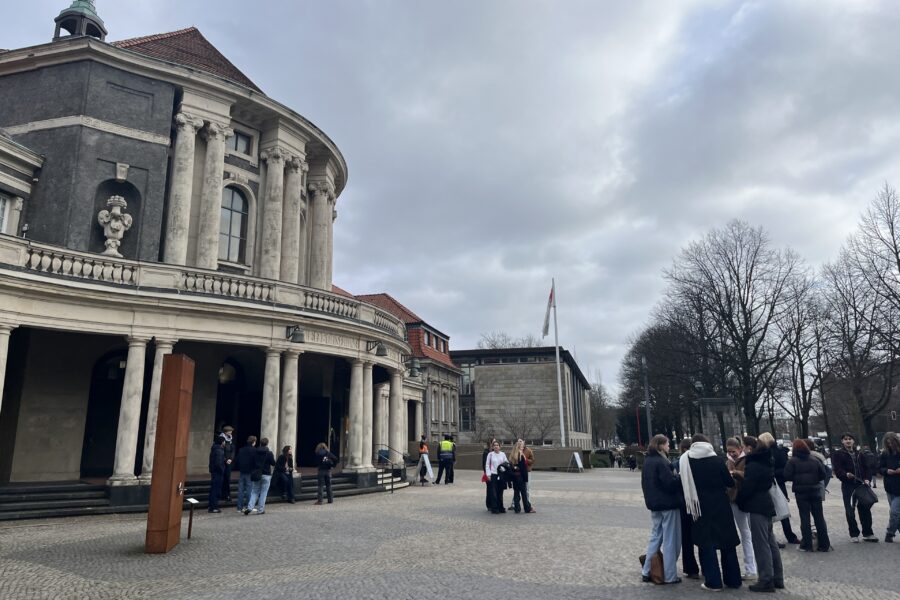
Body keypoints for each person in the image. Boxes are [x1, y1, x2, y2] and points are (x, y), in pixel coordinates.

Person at [679, 434, 742, 591]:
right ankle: (733, 579)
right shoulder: (716, 460)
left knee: (707, 543)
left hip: (700, 506)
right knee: (727, 543)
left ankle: (713, 581)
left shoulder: (687, 461)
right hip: (721, 505)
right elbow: (729, 482)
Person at [737, 436, 784, 593]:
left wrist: (740, 499)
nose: (743, 449)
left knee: (761, 544)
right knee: (770, 542)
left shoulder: (753, 464)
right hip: (766, 503)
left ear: (749, 448)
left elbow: (749, 486)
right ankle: (777, 577)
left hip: (757, 505)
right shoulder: (766, 460)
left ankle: (766, 580)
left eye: (743, 447)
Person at [640, 434, 682, 585]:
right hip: (668, 503)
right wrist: (679, 478)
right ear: (661, 446)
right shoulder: (661, 462)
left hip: (654, 503)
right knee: (670, 539)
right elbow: (670, 484)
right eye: (667, 444)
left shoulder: (648, 461)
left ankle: (646, 571)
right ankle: (670, 575)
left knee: (656, 537)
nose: (669, 447)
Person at [784, 438, 830, 552]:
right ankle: (824, 545)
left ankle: (807, 545)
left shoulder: (792, 461)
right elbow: (823, 474)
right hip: (815, 491)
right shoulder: (814, 460)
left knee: (805, 518)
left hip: (801, 492)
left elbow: (786, 475)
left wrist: (796, 478)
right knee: (819, 518)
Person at [832, 432, 877, 542]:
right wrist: (845, 474)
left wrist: (867, 479)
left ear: (853, 441)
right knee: (850, 510)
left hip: (861, 485)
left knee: (865, 509)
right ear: (842, 441)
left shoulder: (860, 454)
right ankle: (854, 534)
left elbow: (867, 468)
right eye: (845, 439)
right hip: (848, 485)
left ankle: (868, 533)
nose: (848, 441)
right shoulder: (838, 454)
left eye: (850, 439)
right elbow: (837, 469)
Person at [725, 437, 757, 580]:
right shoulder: (728, 462)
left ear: (740, 449)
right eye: (729, 451)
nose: (731, 454)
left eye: (733, 451)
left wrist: (736, 473)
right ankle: (750, 568)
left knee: (746, 533)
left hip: (744, 499)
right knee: (744, 533)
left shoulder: (747, 460)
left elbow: (750, 477)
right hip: (732, 499)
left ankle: (751, 568)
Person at [761, 433, 800, 546]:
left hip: (771, 484)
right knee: (783, 512)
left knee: (770, 513)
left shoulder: (765, 454)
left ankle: (772, 539)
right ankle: (790, 536)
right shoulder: (780, 452)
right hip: (780, 484)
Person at [672, 438, 700, 580]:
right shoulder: (699, 461)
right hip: (698, 503)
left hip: (684, 503)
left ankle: (690, 568)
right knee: (701, 535)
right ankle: (706, 566)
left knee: (686, 537)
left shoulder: (677, 463)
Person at [245, 437, 276, 515]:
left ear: (260, 443)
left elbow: (252, 462)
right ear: (267, 444)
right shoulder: (269, 453)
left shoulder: (255, 452)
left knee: (254, 491)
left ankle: (250, 507)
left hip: (257, 474)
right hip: (266, 474)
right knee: (263, 493)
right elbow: (273, 463)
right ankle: (260, 510)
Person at [879, 432, 900, 542]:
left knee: (894, 512)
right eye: (888, 443)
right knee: (895, 512)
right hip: (890, 487)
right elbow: (879, 467)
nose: (890, 445)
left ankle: (890, 532)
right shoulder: (885, 454)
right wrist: (886, 471)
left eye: (892, 443)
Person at [509, 440, 535, 514]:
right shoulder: (521, 456)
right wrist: (525, 478)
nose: (523, 447)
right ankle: (527, 508)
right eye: (522, 446)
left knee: (516, 492)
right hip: (521, 476)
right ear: (519, 447)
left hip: (514, 477)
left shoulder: (512, 455)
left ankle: (517, 508)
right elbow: (523, 468)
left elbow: (511, 466)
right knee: (524, 493)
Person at [485, 440, 509, 514]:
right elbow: (487, 465)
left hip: (501, 475)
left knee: (500, 492)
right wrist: (488, 475)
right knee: (493, 492)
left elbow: (506, 463)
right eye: (494, 445)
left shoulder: (503, 454)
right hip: (493, 475)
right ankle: (494, 508)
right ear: (492, 447)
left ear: (500, 446)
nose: (496, 446)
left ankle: (500, 507)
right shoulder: (490, 454)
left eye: (497, 445)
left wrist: (503, 469)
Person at [235, 435, 257, 513]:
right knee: (249, 490)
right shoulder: (254, 450)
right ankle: (249, 506)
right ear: (253, 442)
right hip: (250, 472)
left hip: (242, 471)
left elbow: (237, 459)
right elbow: (255, 461)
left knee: (240, 490)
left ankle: (239, 508)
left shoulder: (241, 449)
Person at [207, 436, 225, 513]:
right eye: (224, 441)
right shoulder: (219, 450)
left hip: (214, 472)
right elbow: (218, 463)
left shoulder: (214, 449)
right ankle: (214, 507)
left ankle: (212, 506)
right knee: (216, 490)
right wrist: (222, 470)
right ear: (222, 442)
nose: (224, 443)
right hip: (218, 473)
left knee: (214, 489)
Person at [218, 425, 235, 501]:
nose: (231, 433)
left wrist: (231, 459)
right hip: (222, 462)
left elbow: (232, 450)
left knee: (227, 479)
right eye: (230, 431)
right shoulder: (221, 439)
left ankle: (227, 495)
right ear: (225, 432)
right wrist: (226, 460)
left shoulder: (230, 439)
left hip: (229, 462)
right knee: (222, 478)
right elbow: (220, 452)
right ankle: (221, 494)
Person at [482, 439, 496, 511]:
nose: (495, 444)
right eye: (494, 443)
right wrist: (487, 474)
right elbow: (485, 464)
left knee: (493, 489)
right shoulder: (486, 452)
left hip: (494, 473)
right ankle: (489, 505)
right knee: (490, 489)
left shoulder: (494, 452)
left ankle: (493, 504)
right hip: (489, 474)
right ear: (490, 444)